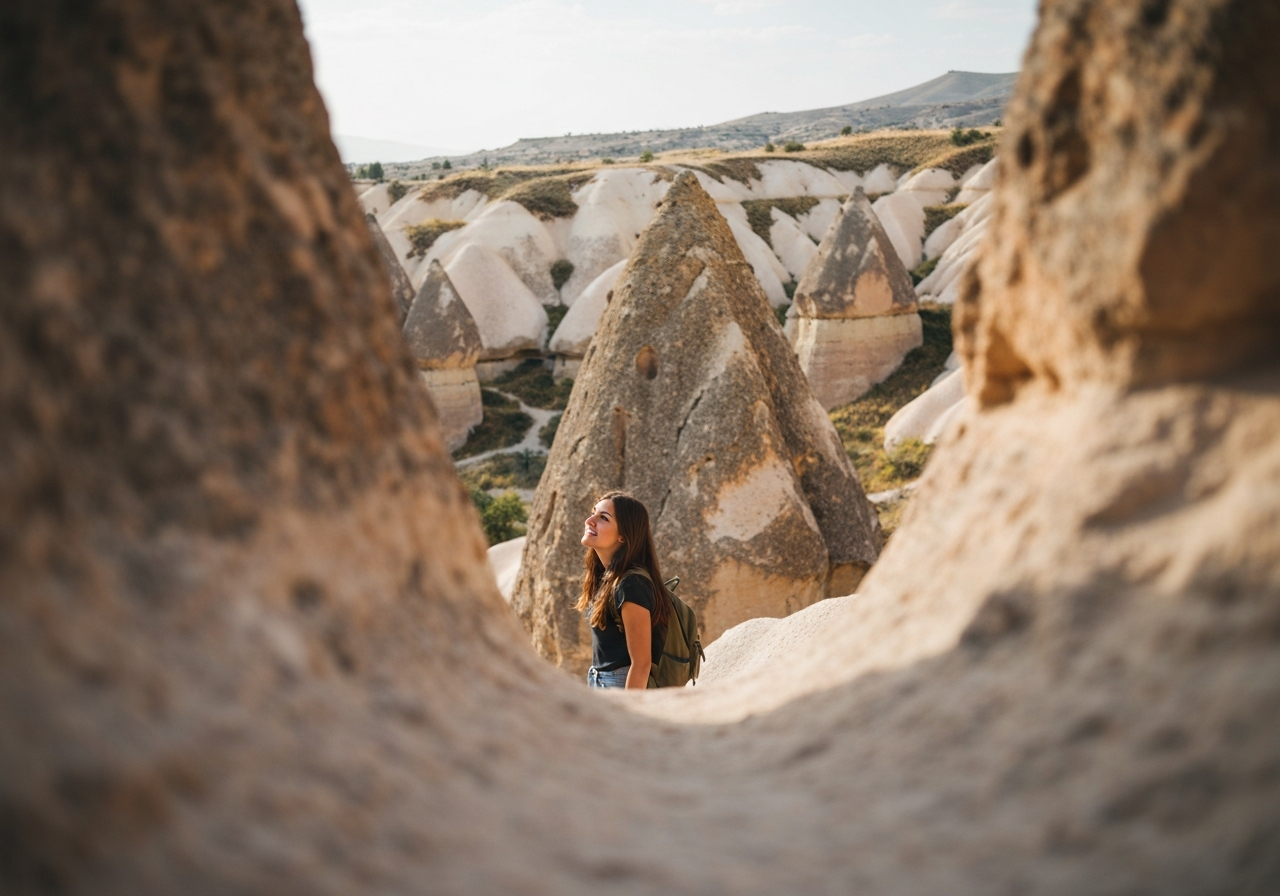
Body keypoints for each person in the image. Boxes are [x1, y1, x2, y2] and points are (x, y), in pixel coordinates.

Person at [578, 491, 672, 690]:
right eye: (593, 512)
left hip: (619, 685)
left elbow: (641, 663)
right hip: (600, 680)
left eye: (603, 518)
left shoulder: (631, 584)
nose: (590, 520)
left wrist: (630, 712)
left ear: (623, 536)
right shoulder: (607, 577)